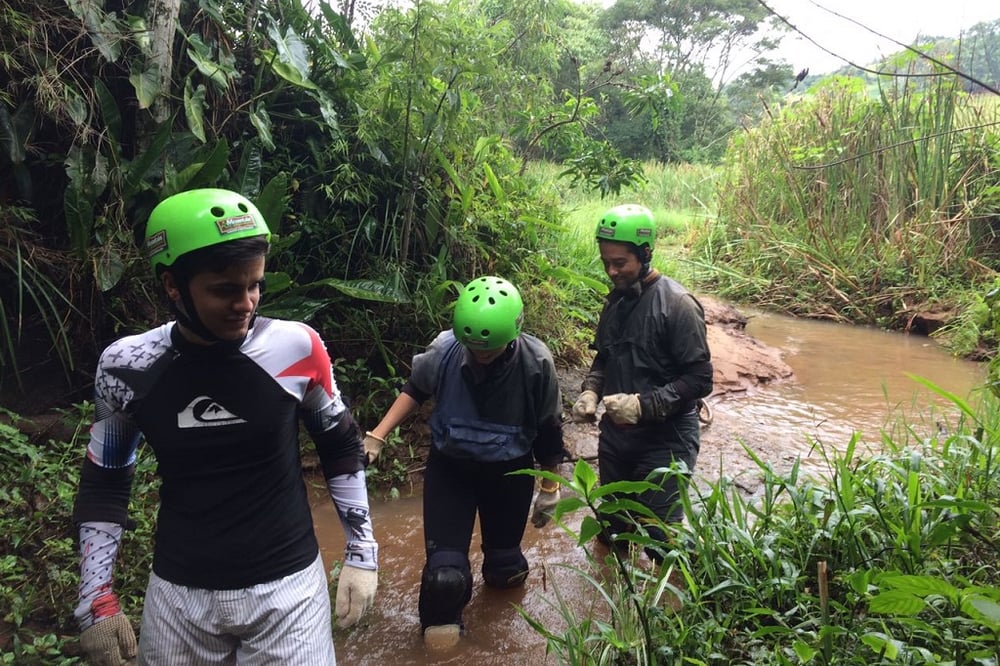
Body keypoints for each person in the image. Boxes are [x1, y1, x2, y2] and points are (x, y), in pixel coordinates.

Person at [72, 188, 378, 666]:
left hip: (288, 591)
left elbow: (340, 445)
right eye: (225, 290)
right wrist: (96, 597)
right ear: (173, 285)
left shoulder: (297, 349)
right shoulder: (127, 366)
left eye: (255, 285)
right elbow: (107, 478)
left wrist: (362, 553)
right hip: (178, 596)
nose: (246, 303)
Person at [363, 275, 565, 648]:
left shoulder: (537, 363)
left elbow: (549, 431)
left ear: (512, 336)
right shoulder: (445, 349)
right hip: (451, 471)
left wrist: (550, 489)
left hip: (509, 473)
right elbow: (415, 390)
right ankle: (440, 629)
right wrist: (377, 434)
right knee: (445, 579)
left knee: (503, 572)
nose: (479, 355)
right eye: (472, 347)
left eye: (487, 349)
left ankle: (502, 579)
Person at [571, 203, 713, 560]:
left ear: (645, 254)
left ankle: (677, 609)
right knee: (613, 532)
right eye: (606, 262)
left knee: (660, 538)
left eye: (620, 263)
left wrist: (643, 405)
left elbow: (699, 379)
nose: (611, 271)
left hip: (667, 440)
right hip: (617, 439)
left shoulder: (678, 305)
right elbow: (606, 355)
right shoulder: (615, 301)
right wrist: (591, 389)